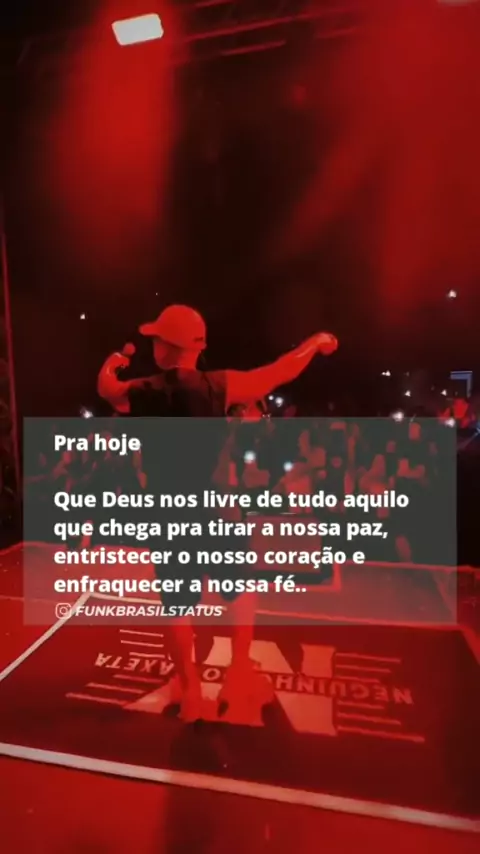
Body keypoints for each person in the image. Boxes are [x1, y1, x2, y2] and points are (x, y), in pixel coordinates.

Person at [98, 304, 338, 721]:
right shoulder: (216, 387)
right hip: (213, 509)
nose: (153, 346)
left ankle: (190, 691)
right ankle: (238, 672)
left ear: (166, 346)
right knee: (241, 587)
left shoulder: (143, 391)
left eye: (156, 339)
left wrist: (115, 361)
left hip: (168, 514)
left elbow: (107, 389)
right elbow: (279, 372)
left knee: (177, 605)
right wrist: (315, 343)